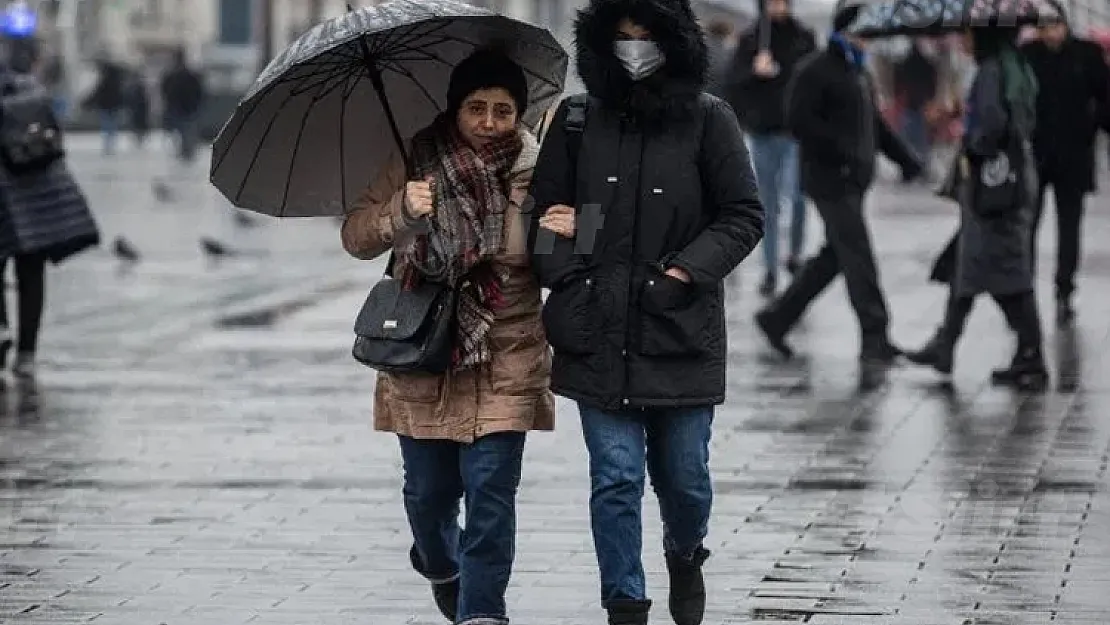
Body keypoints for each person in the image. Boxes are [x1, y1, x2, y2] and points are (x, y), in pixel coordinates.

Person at [528, 1, 765, 623]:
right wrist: (572, 270)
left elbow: (742, 215)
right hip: (596, 331)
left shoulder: (710, 120)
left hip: (680, 328)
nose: (634, 49)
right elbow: (544, 215)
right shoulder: (576, 121)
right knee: (615, 478)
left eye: (647, 37)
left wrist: (683, 272)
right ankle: (625, 603)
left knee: (685, 480)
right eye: (622, 38)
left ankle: (685, 554)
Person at [340, 49, 554, 625]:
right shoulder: (414, 158)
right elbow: (356, 236)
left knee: (490, 495)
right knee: (428, 497)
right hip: (424, 351)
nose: (489, 122)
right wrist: (400, 212)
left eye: (503, 110)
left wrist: (570, 228)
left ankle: (484, 613)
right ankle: (441, 565)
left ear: (519, 114)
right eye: (476, 108)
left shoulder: (543, 168)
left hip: (507, 349)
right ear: (456, 108)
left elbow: (572, 253)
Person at [753, 0, 922, 364]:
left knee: (835, 256)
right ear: (844, 32)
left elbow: (875, 126)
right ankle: (875, 335)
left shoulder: (859, 73)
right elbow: (798, 121)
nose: (868, 41)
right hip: (829, 181)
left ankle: (776, 318)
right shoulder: (815, 69)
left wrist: (907, 160)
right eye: (862, 33)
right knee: (858, 255)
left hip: (854, 181)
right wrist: (842, 149)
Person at [907, 28, 1047, 390]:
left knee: (1003, 271)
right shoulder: (1012, 65)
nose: (963, 42)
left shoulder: (991, 70)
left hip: (995, 187)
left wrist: (971, 140)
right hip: (1007, 182)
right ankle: (946, 345)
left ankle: (1031, 353)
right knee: (968, 265)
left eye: (969, 35)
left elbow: (993, 125)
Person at [0, 62, 100, 376]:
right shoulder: (29, 90)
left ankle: (2, 335)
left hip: (7, 199)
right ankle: (27, 353)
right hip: (37, 197)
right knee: (32, 272)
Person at [1020, 14, 1110, 324]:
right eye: (1043, 27)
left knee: (1070, 225)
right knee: (1028, 222)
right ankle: (1024, 286)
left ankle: (1065, 285)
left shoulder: (1087, 54)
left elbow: (1106, 98)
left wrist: (1093, 126)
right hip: (1037, 153)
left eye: (1054, 26)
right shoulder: (1028, 56)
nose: (1049, 33)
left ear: (1065, 25)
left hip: (1074, 155)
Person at [725, 0, 816, 295]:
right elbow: (733, 84)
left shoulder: (804, 37)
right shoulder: (752, 38)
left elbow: (814, 79)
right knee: (769, 205)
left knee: (798, 195)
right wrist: (754, 71)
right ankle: (770, 269)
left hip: (795, 133)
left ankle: (795, 255)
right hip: (763, 133)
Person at [160, 48, 206, 163]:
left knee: (181, 131)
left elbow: (165, 90)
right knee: (186, 130)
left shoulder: (171, 76)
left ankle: (185, 150)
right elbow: (199, 91)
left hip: (178, 107)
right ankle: (186, 150)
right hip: (188, 107)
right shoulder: (190, 75)